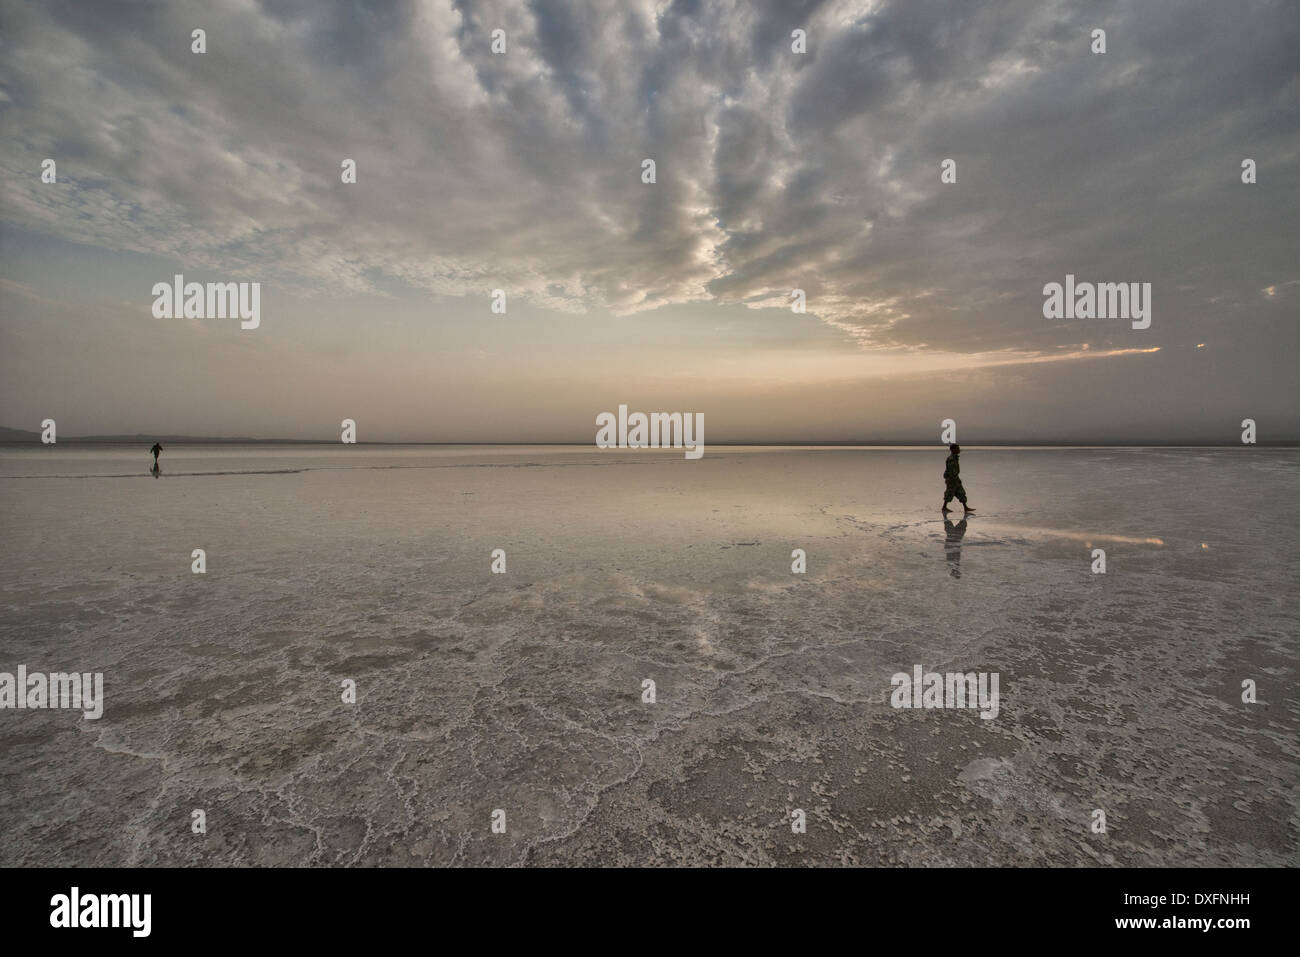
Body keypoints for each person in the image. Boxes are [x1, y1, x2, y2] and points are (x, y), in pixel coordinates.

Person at [941, 443, 974, 514]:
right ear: (953, 450)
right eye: (958, 448)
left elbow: (955, 471)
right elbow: (951, 471)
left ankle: (965, 508)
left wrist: (957, 479)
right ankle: (944, 507)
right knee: (949, 493)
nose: (959, 450)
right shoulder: (951, 459)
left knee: (961, 493)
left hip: (955, 478)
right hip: (952, 480)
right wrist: (955, 479)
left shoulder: (955, 457)